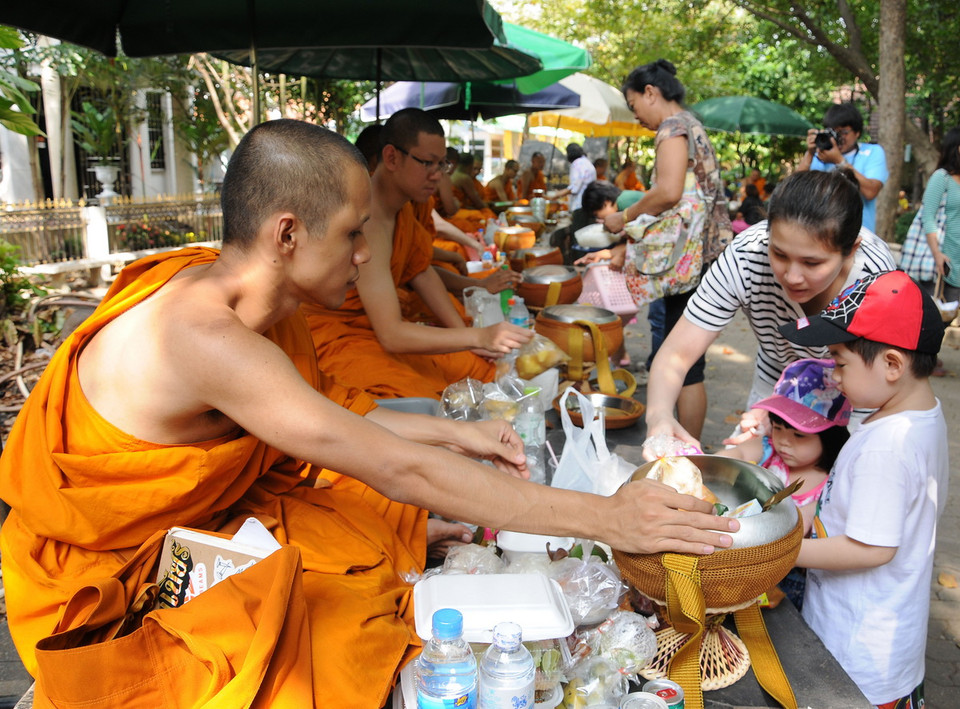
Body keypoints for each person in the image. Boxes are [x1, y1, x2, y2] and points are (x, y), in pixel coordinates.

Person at [0, 119, 740, 707]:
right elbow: (393, 463)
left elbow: (324, 420)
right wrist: (603, 516)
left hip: (197, 520)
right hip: (104, 573)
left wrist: (458, 431)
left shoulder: (254, 308)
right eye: (353, 233)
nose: (364, 255)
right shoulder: (200, 333)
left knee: (373, 532)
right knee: (341, 626)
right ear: (287, 234)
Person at [780, 270, 948, 708]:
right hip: (886, 644)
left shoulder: (888, 447)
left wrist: (780, 551)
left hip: (857, 656)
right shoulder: (919, 416)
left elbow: (870, 549)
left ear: (892, 365)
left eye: (840, 362)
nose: (833, 376)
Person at [643, 169, 898, 455]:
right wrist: (659, 417)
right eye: (779, 255)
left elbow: (887, 383)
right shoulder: (746, 256)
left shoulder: (876, 278)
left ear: (851, 250)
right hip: (777, 375)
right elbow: (677, 354)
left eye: (812, 263)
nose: (792, 276)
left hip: (858, 394)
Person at [304, 110, 530, 400]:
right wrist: (479, 336)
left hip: (378, 328)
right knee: (420, 398)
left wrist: (467, 337)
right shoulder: (366, 220)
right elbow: (391, 334)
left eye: (442, 164)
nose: (437, 176)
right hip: (340, 337)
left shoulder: (406, 208)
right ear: (392, 157)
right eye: (427, 163)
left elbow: (421, 271)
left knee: (480, 369)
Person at [579, 59, 732, 440]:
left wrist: (624, 217)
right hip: (704, 260)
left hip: (690, 266)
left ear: (651, 93)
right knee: (683, 362)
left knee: (681, 364)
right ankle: (685, 446)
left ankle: (687, 452)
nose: (637, 116)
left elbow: (668, 192)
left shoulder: (673, 127)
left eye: (634, 106)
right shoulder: (692, 124)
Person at [717, 358, 851, 536]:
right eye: (778, 428)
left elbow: (796, 527)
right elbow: (739, 453)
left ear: (830, 438)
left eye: (799, 435)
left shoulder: (832, 484)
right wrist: (706, 464)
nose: (783, 441)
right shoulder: (769, 449)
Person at [796, 101, 888, 232]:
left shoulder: (873, 152)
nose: (838, 137)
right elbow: (794, 189)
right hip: (818, 234)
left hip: (860, 235)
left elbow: (870, 191)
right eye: (833, 132)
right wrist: (809, 154)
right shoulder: (820, 155)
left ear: (857, 132)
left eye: (844, 132)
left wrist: (839, 161)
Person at [922, 125, 960, 304]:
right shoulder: (941, 178)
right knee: (944, 317)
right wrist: (937, 254)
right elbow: (927, 216)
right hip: (946, 263)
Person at [553, 143, 597, 211]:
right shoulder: (587, 162)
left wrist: (556, 195)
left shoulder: (577, 164)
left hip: (580, 205)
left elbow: (574, 188)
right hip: (590, 203)